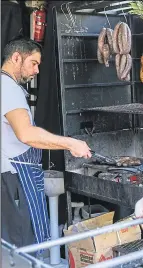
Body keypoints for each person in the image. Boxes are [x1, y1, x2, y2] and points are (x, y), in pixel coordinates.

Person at [1, 36, 92, 252]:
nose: (36, 71)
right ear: (16, 57)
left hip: (12, 177)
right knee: (23, 245)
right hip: (14, 179)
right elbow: (26, 135)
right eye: (33, 63)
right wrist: (70, 143)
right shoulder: (7, 88)